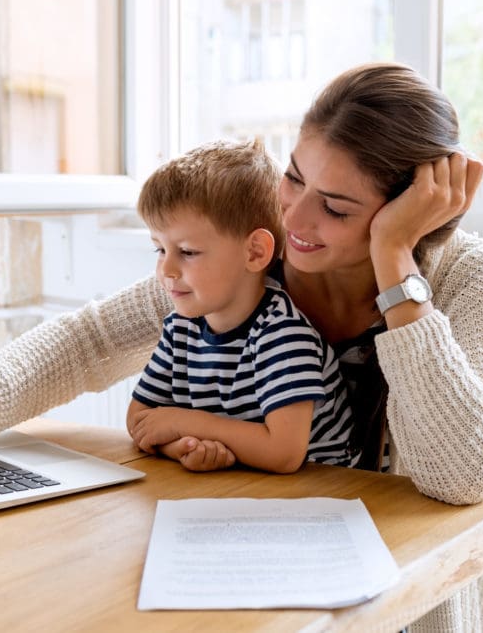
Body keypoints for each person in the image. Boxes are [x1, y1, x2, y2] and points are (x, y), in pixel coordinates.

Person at [0, 62, 483, 632]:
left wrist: (395, 261)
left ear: (408, 212)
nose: (294, 216)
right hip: (257, 568)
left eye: (336, 208)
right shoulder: (258, 249)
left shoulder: (474, 280)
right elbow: (97, 338)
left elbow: (461, 476)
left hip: (405, 601)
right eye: (294, 177)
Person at [126, 139, 358, 473]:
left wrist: (182, 421)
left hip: (321, 499)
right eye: (159, 250)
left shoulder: (284, 335)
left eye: (188, 252)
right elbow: (141, 420)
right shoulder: (181, 328)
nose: (166, 270)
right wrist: (182, 446)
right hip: (245, 491)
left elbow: (283, 453)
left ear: (255, 253)